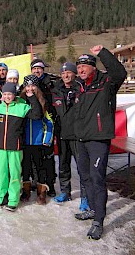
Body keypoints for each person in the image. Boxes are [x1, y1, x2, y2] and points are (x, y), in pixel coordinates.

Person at [73, 45, 126, 240]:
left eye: (84, 66)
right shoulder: (79, 86)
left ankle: (99, 221)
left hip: (98, 139)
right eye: (79, 67)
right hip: (82, 139)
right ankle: (94, 210)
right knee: (85, 177)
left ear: (93, 67)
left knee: (97, 178)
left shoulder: (106, 82)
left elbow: (120, 72)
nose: (81, 70)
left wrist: (102, 52)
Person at [0, 82, 42, 212]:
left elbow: (37, 115)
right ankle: (1, 197)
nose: (7, 96)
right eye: (5, 94)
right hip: (0, 148)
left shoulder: (21, 107)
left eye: (9, 94)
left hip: (15, 148)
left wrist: (32, 97)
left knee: (15, 174)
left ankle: (13, 199)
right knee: (0, 174)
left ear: (14, 94)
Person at [52, 62, 89, 211]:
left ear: (74, 74)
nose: (66, 76)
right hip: (62, 134)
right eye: (63, 73)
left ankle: (85, 197)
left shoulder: (81, 88)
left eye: (69, 73)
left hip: (78, 135)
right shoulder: (56, 90)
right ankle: (65, 192)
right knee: (63, 165)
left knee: (82, 167)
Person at [20, 75, 54, 205]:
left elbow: (49, 123)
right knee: (26, 168)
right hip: (25, 143)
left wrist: (46, 140)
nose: (30, 88)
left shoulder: (42, 103)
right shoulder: (21, 102)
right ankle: (26, 190)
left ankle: (41, 192)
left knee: (40, 168)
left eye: (32, 85)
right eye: (27, 86)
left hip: (38, 142)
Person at [30, 59, 57, 197]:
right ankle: (37, 182)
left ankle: (50, 184)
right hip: (34, 128)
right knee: (35, 158)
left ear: (43, 70)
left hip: (47, 123)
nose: (36, 71)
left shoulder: (50, 83)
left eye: (39, 68)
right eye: (34, 69)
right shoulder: (29, 85)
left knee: (48, 158)